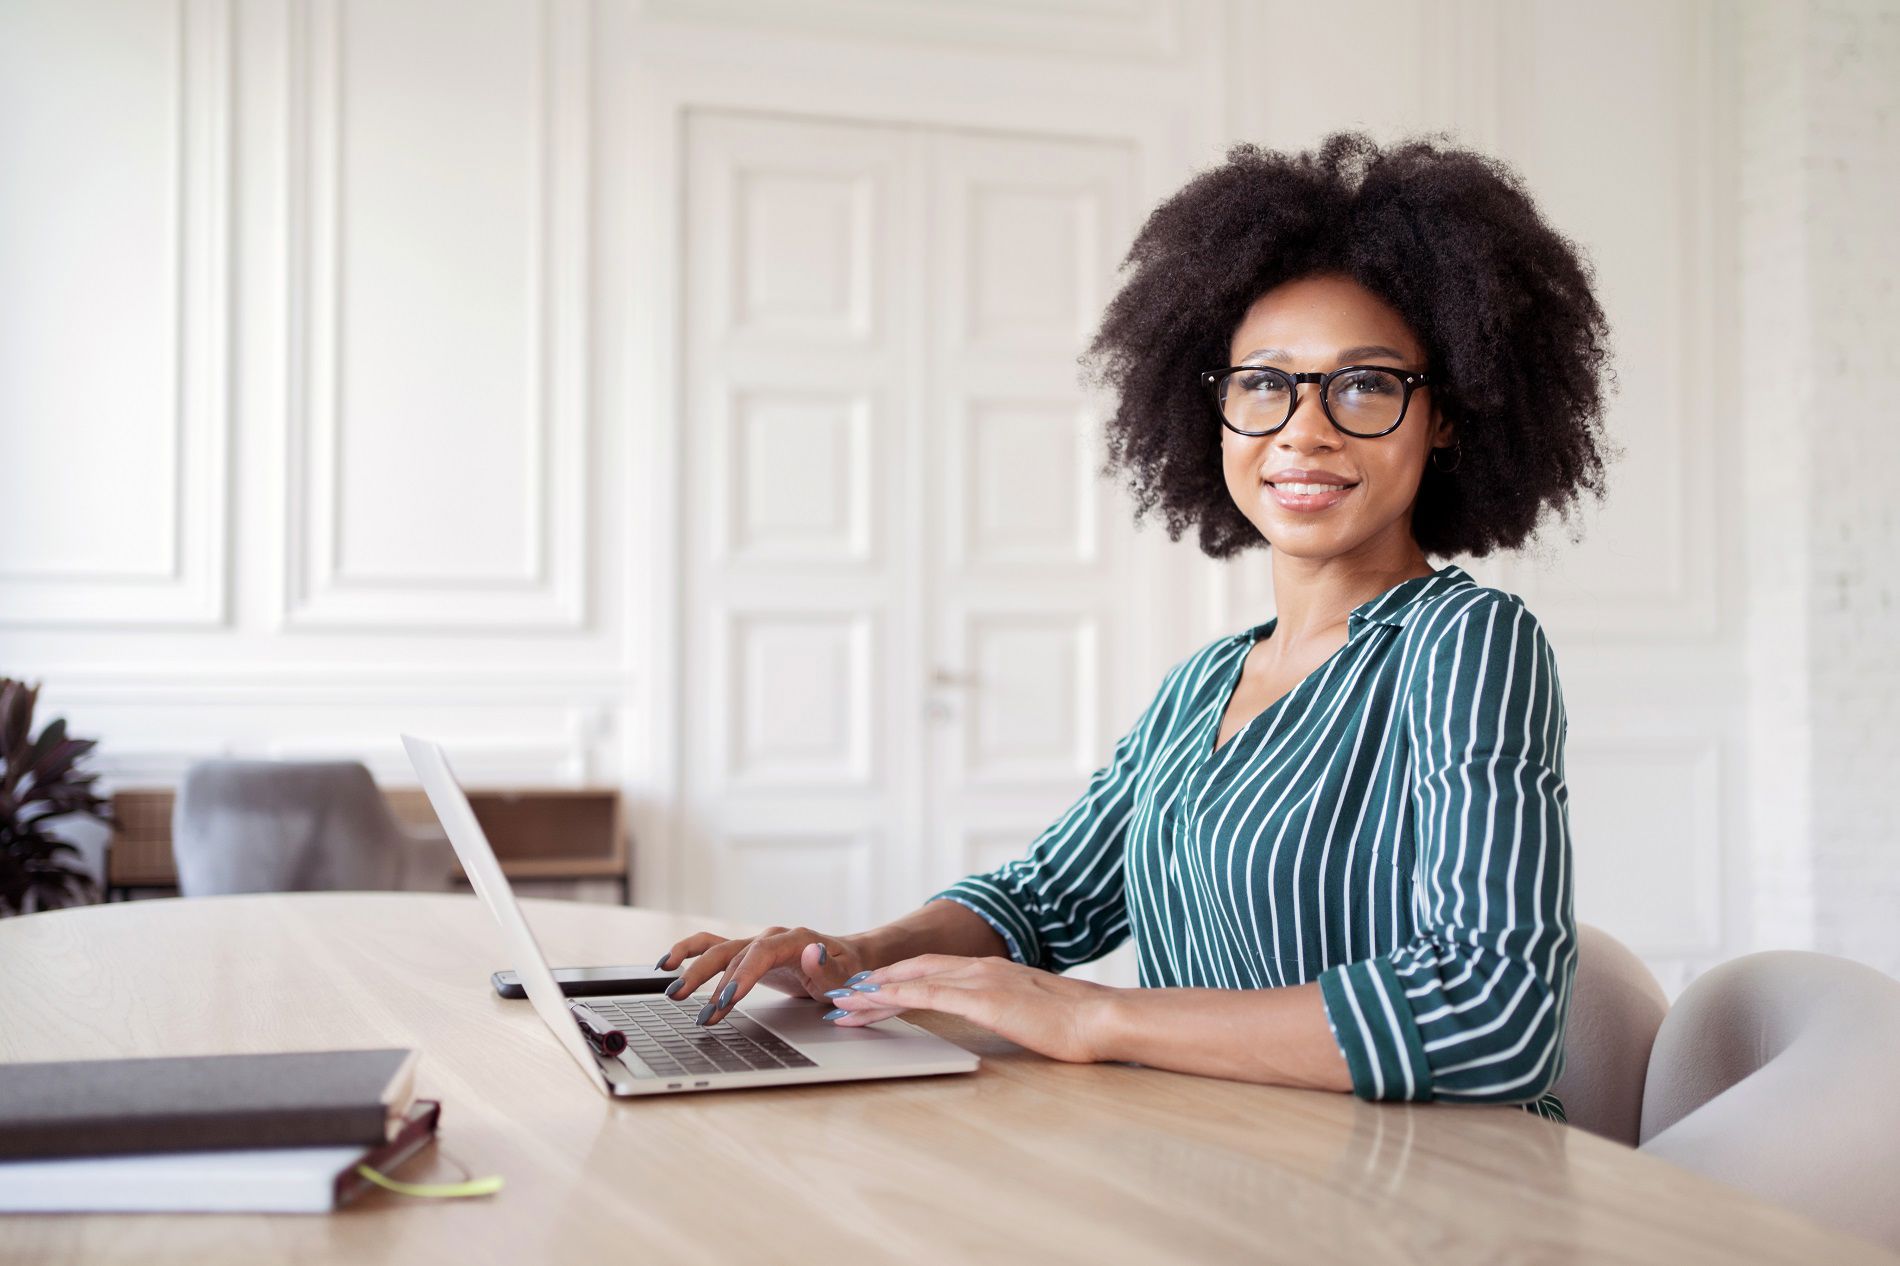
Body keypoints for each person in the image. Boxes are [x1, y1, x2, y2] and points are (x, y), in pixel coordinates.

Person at [655, 132, 1614, 1118]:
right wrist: (849, 957)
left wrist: (1095, 1019)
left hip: (1430, 1194)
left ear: (1445, 414)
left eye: (1365, 384)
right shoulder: (1203, 684)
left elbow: (1493, 1016)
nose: (1303, 429)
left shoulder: (1466, 645)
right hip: (1219, 1163)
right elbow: (1046, 898)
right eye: (1263, 383)